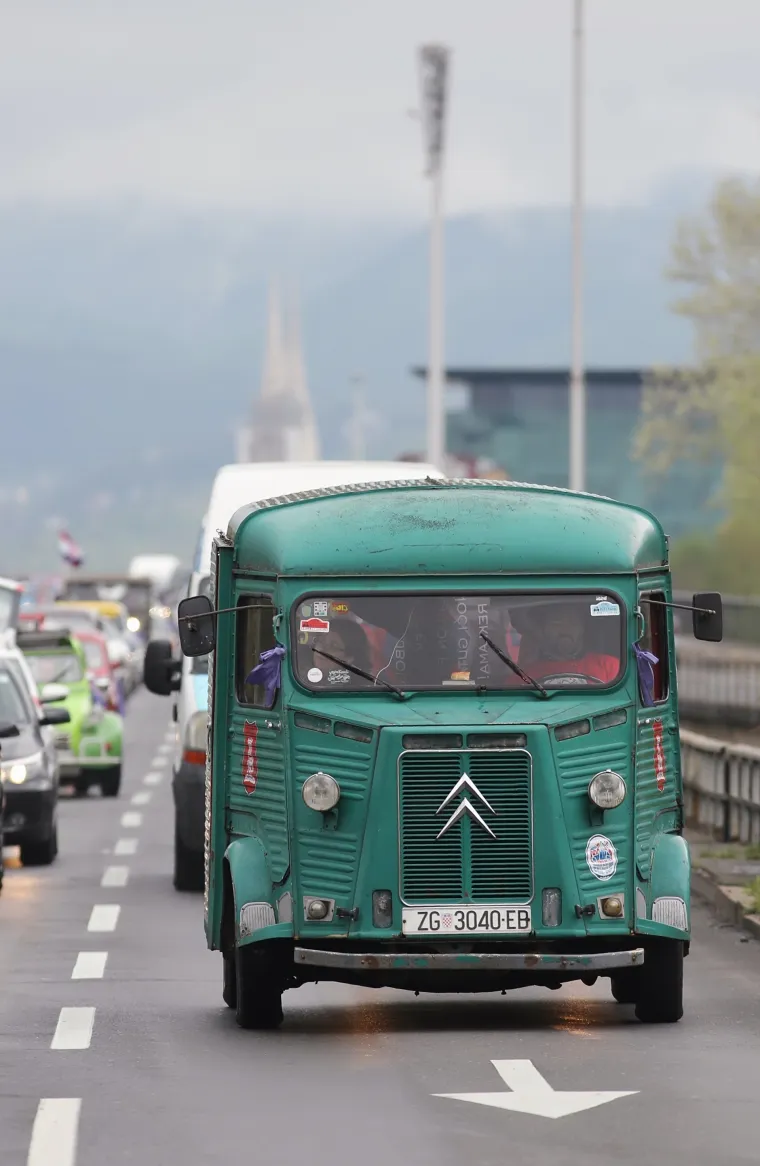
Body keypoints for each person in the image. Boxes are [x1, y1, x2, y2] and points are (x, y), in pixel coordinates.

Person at [517, 602, 619, 684]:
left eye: (572, 622)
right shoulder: (525, 676)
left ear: (582, 628)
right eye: (556, 623)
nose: (565, 629)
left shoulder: (609, 666)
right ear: (543, 629)